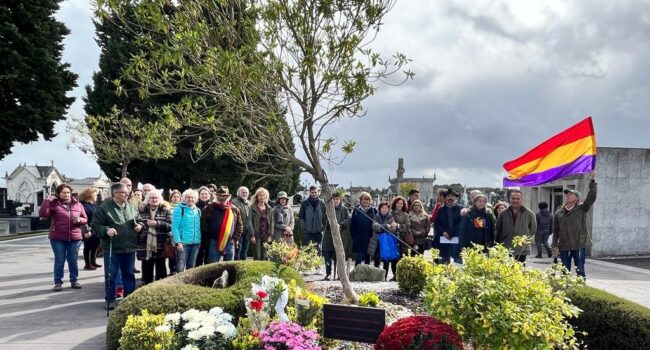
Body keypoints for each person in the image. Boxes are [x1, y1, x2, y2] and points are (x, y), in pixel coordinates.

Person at [92, 183, 142, 310]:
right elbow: (95, 226)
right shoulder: (104, 208)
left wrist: (140, 226)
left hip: (129, 246)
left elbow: (140, 220)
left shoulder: (131, 207)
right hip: (112, 248)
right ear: (114, 193)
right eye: (123, 192)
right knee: (111, 274)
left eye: (127, 192)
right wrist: (106, 230)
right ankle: (110, 299)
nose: (127, 194)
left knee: (129, 274)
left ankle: (129, 298)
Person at [40, 184, 88, 291]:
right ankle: (58, 282)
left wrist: (80, 220)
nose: (66, 195)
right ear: (58, 193)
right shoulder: (54, 204)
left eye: (68, 192)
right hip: (57, 237)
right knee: (59, 260)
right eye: (63, 192)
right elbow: (43, 214)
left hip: (75, 237)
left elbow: (85, 219)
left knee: (72, 259)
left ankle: (74, 280)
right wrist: (47, 201)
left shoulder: (78, 204)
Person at [552, 171, 597, 278]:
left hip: (579, 244)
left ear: (577, 198)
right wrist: (554, 244)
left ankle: (581, 288)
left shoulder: (582, 209)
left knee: (580, 269)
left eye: (571, 194)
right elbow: (555, 230)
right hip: (564, 245)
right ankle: (565, 288)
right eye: (567, 194)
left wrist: (593, 182)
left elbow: (592, 197)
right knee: (564, 270)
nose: (568, 196)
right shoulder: (559, 212)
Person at [202, 186, 243, 263]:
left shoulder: (234, 209)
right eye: (220, 195)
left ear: (228, 196)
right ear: (216, 196)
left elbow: (239, 225)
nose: (222, 197)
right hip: (214, 240)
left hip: (230, 241)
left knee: (229, 265)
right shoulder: (209, 208)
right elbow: (203, 223)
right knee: (212, 264)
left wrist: (235, 238)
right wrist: (208, 236)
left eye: (224, 196)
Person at [138, 190, 172, 284]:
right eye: (151, 198)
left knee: (161, 268)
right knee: (146, 267)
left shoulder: (166, 210)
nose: (154, 200)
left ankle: (160, 288)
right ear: (147, 200)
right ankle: (146, 286)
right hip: (145, 245)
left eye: (156, 198)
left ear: (160, 199)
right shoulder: (141, 211)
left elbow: (171, 226)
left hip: (161, 245)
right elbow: (137, 223)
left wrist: (157, 223)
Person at [496, 190, 537, 263]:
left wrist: (523, 238)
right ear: (509, 199)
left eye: (518, 199)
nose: (515, 200)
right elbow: (498, 230)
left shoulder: (530, 214)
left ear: (521, 199)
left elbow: (533, 229)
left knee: (520, 269)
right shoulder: (503, 214)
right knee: (506, 270)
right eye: (513, 198)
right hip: (506, 246)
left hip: (521, 248)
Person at [321, 192, 350, 280]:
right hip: (328, 236)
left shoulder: (344, 209)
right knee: (327, 256)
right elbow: (323, 221)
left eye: (337, 199)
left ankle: (339, 274)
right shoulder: (327, 209)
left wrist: (341, 225)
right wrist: (332, 224)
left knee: (339, 256)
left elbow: (348, 220)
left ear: (340, 200)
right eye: (333, 199)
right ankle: (328, 273)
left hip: (340, 236)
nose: (335, 201)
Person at [172, 189, 202, 272]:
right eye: (187, 197)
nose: (190, 199)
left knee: (191, 267)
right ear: (184, 198)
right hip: (183, 243)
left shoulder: (198, 210)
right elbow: (175, 227)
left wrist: (199, 240)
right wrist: (178, 242)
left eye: (192, 197)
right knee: (180, 268)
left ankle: (188, 284)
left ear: (196, 199)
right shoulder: (179, 209)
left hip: (195, 243)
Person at [433, 189, 463, 264]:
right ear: (445, 198)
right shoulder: (441, 210)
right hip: (443, 240)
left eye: (452, 196)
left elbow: (462, 224)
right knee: (442, 264)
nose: (450, 198)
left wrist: (452, 233)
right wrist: (443, 232)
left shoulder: (461, 209)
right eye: (448, 196)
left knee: (458, 264)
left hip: (457, 240)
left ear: (456, 198)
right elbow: (436, 223)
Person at [371, 202, 399, 280]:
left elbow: (393, 229)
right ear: (380, 209)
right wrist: (386, 226)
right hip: (377, 241)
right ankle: (376, 276)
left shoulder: (391, 217)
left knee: (386, 260)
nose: (384, 209)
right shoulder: (376, 216)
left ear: (388, 209)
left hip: (387, 241)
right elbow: (375, 227)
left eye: (386, 208)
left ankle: (385, 277)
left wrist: (392, 226)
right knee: (377, 259)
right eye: (383, 208)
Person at [349, 191, 378, 265]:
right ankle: (356, 275)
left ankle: (366, 276)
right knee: (359, 258)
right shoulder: (356, 210)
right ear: (361, 200)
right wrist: (354, 236)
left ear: (369, 201)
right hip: (359, 238)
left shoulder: (373, 210)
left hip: (369, 238)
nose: (365, 201)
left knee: (368, 258)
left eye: (367, 200)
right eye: (364, 199)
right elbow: (352, 224)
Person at [299, 186, 326, 254]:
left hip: (318, 231)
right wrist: (304, 228)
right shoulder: (304, 203)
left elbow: (325, 217)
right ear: (310, 193)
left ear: (318, 193)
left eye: (315, 192)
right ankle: (307, 264)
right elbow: (301, 217)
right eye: (312, 192)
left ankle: (317, 265)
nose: (314, 194)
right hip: (308, 232)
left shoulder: (322, 204)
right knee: (307, 250)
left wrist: (322, 227)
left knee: (318, 250)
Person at [79, 188, 101, 271]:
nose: (96, 196)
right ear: (89, 195)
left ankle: (93, 261)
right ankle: (87, 264)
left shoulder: (94, 205)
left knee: (95, 246)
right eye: (95, 194)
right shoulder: (84, 205)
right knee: (88, 246)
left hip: (95, 229)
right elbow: (85, 218)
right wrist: (86, 230)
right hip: (88, 229)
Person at [249, 187, 273, 260]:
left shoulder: (269, 208)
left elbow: (272, 222)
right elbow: (249, 221)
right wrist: (252, 235)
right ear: (257, 197)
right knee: (257, 256)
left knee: (264, 256)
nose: (262, 197)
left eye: (264, 195)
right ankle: (256, 271)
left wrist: (270, 235)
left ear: (266, 197)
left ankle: (264, 271)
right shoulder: (252, 208)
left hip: (266, 235)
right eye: (260, 195)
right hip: (256, 235)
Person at [231, 186, 252, 260]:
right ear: (238, 193)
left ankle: (243, 267)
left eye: (246, 192)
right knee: (237, 251)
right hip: (238, 231)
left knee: (245, 250)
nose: (245, 194)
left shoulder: (249, 203)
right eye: (243, 192)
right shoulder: (233, 202)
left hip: (247, 231)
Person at [194, 186, 212, 266]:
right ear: (199, 195)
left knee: (208, 257)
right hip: (198, 234)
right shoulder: (194, 206)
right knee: (198, 256)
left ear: (209, 195)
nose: (204, 195)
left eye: (206, 194)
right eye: (202, 194)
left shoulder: (213, 206)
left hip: (209, 235)